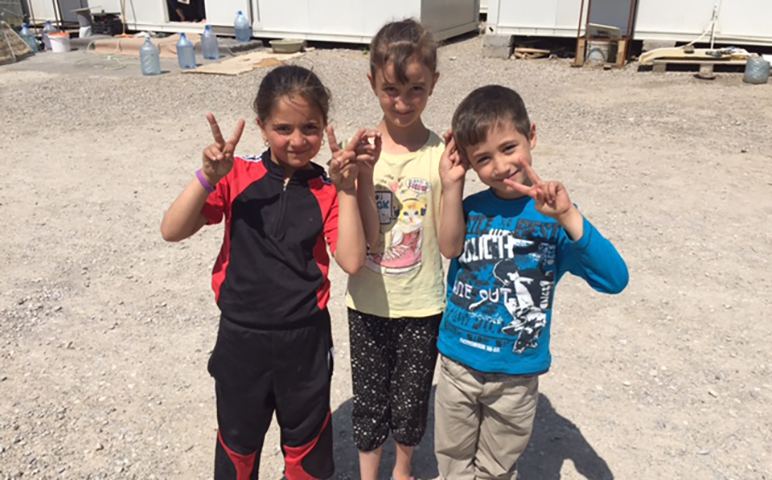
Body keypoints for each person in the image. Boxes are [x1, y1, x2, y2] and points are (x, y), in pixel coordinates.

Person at [160, 65, 370, 480]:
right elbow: (172, 230)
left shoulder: (328, 188)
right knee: (238, 444)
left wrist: (347, 189)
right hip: (241, 338)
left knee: (306, 448)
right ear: (261, 126)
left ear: (325, 126)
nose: (297, 140)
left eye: (310, 128)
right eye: (283, 128)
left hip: (304, 339)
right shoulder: (237, 174)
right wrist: (207, 177)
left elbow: (352, 260)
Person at [435, 85, 629, 480]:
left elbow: (614, 279)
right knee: (453, 465)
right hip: (458, 364)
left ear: (532, 136)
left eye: (509, 148)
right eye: (483, 159)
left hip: (516, 374)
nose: (501, 166)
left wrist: (568, 215)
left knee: (497, 469)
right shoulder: (470, 208)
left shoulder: (552, 218)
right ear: (469, 164)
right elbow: (449, 247)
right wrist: (452, 186)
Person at [346, 18, 445, 480]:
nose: (402, 103)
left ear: (433, 85)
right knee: (369, 401)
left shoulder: (441, 154)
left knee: (410, 402)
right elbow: (361, 235)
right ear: (372, 83)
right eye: (390, 90)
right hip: (366, 301)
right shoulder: (361, 151)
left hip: (422, 304)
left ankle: (402, 471)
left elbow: (448, 238)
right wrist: (357, 180)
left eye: (416, 91)